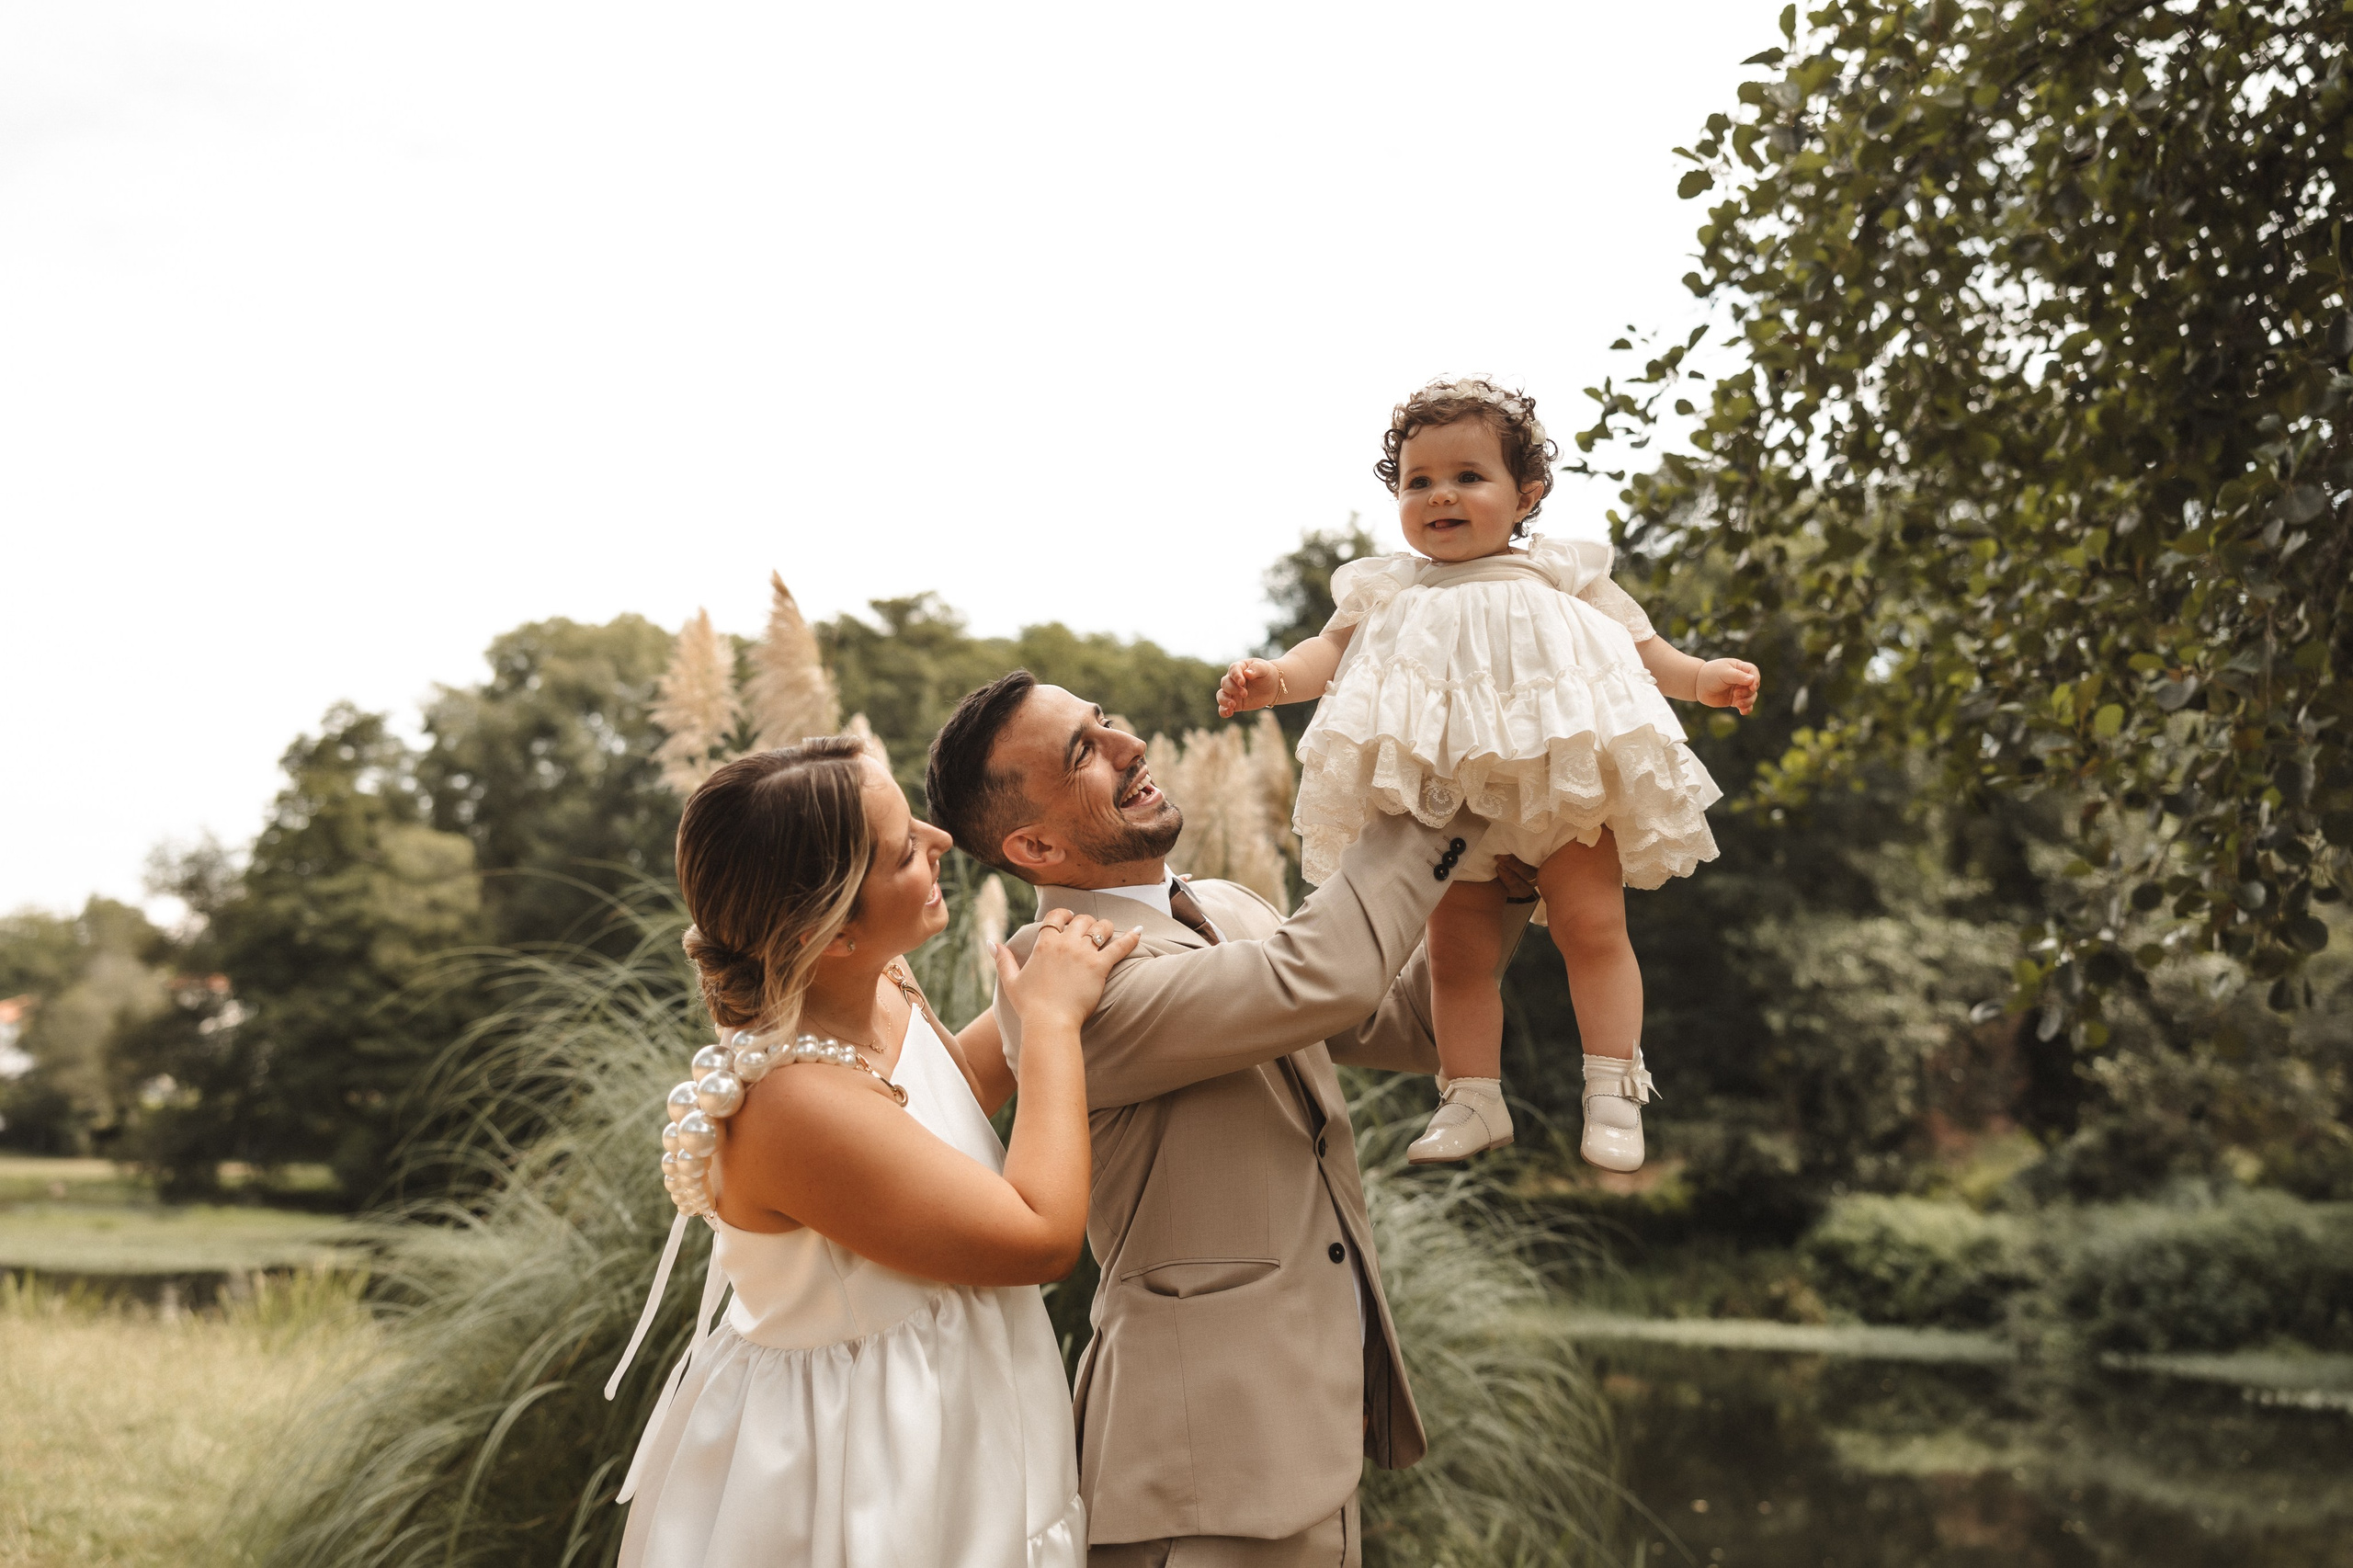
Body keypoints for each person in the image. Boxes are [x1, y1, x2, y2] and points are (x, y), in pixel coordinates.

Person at [925, 673, 1534, 1568]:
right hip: (1198, 1466)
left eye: (1105, 720)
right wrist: (1441, 797)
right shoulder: (1055, 972)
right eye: (1082, 753)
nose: (1129, 744)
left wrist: (1501, 885)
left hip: (1298, 1436)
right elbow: (1322, 974)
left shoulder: (1229, 905)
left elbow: (1401, 1023)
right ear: (1035, 843)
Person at [608, 736, 1140, 1568]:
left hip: (962, 1408)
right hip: (872, 1463)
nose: (938, 840)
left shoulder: (878, 984)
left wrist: (1039, 990)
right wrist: (1052, 1025)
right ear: (833, 937)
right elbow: (1039, 1238)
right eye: (903, 852)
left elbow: (929, 1119)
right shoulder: (792, 1106)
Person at [1217, 377, 1760, 1172]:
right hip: (1449, 801)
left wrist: (1705, 677)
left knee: (1593, 927)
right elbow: (1323, 658)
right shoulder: (1389, 586)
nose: (1441, 496)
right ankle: (1470, 1097)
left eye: (1468, 477)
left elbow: (1647, 653)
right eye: (1419, 482)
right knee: (1457, 956)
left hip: (1563, 786)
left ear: (1525, 493)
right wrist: (1274, 681)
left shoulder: (1561, 572)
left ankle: (1613, 1083)